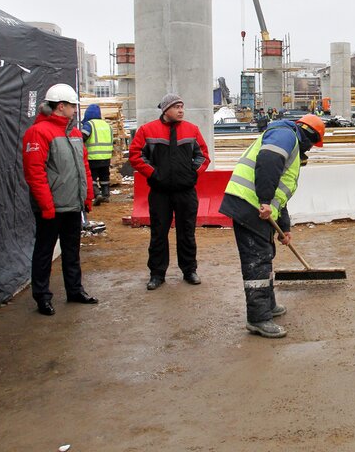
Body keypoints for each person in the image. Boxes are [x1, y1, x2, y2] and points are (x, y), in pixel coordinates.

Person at [219, 114, 326, 338]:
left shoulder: (288, 140)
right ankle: (258, 319)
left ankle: (267, 304)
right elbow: (268, 162)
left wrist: (284, 227)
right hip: (249, 204)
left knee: (264, 255)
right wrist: (265, 201)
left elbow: (281, 195)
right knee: (257, 259)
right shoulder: (285, 135)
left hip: (256, 206)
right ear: (310, 135)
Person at [22, 83, 97, 316]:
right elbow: (35, 173)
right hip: (51, 207)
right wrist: (46, 206)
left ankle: (74, 290)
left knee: (72, 250)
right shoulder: (38, 132)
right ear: (61, 106)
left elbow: (83, 166)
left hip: (72, 204)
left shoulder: (74, 133)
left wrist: (87, 196)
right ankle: (42, 297)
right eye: (73, 106)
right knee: (44, 251)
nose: (75, 110)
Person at [129, 94, 211, 290]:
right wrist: (154, 174)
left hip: (186, 192)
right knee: (158, 234)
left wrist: (193, 175)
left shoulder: (192, 130)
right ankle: (157, 274)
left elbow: (203, 156)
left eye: (182, 106)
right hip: (160, 192)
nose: (181, 110)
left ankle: (189, 270)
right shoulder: (147, 130)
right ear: (166, 110)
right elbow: (135, 155)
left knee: (187, 233)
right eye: (176, 107)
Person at [80, 103, 113, 205]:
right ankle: (106, 195)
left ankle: (97, 194)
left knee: (92, 177)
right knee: (104, 177)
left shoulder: (89, 124)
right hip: (106, 157)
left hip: (93, 157)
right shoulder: (107, 125)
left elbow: (83, 136)